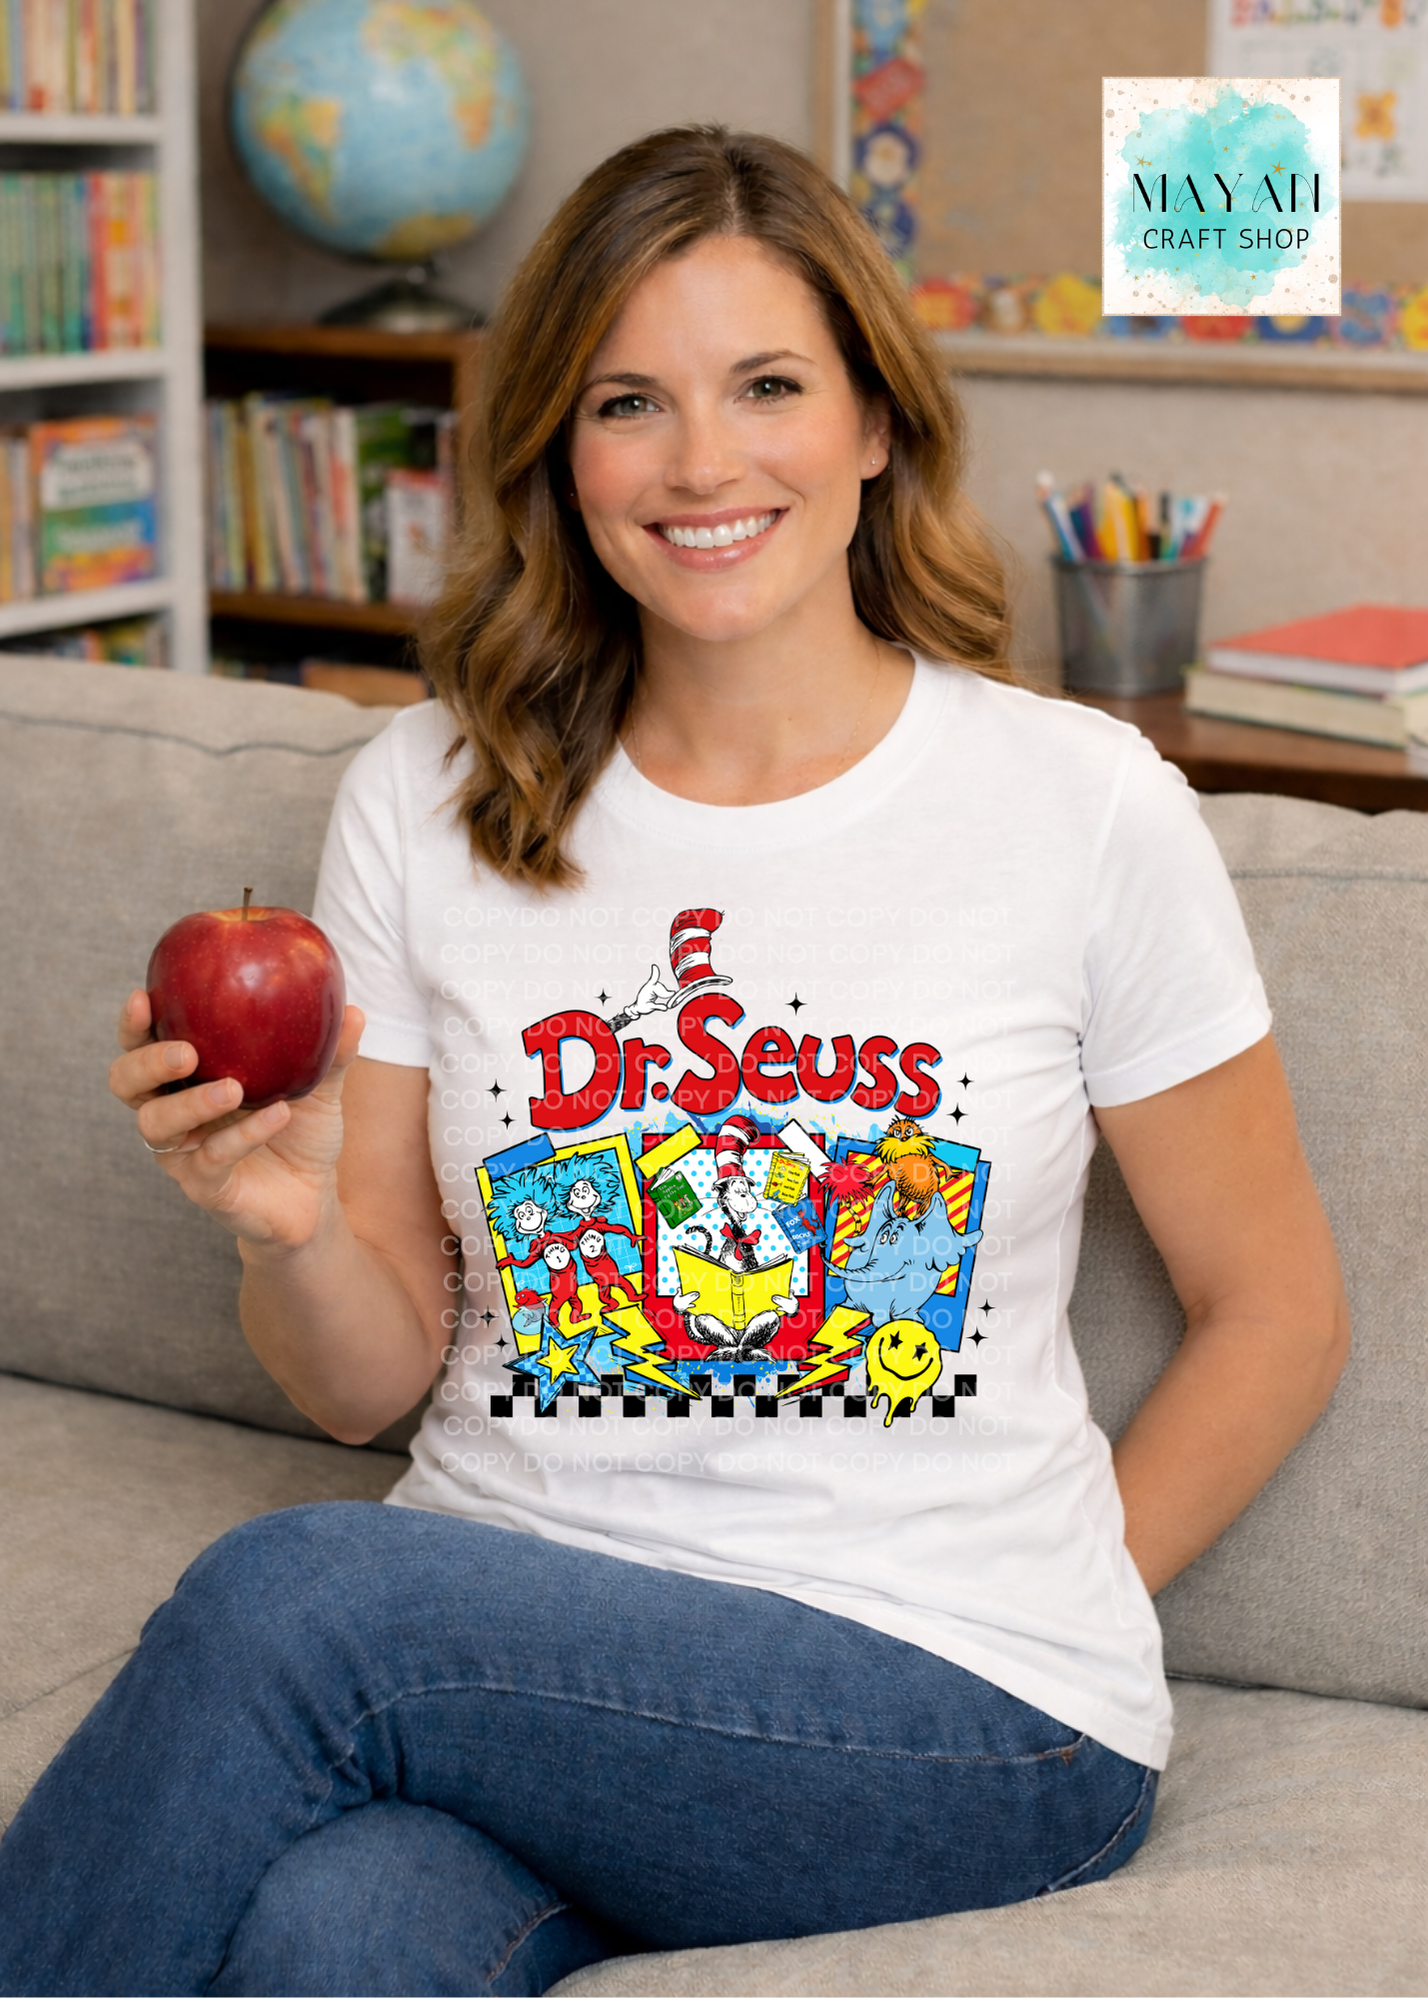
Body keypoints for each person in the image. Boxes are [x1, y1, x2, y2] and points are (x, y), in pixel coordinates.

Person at [0, 127, 1348, 1999]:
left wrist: (1059, 1601)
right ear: (560, 447)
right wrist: (280, 1225)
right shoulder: (427, 798)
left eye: (770, 386)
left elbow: (1275, 1308)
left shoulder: (1077, 804)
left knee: (296, 1599)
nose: (705, 464)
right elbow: (362, 1388)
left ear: (877, 422)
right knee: (335, 1936)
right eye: (630, 402)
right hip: (520, 1642)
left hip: (946, 1700)